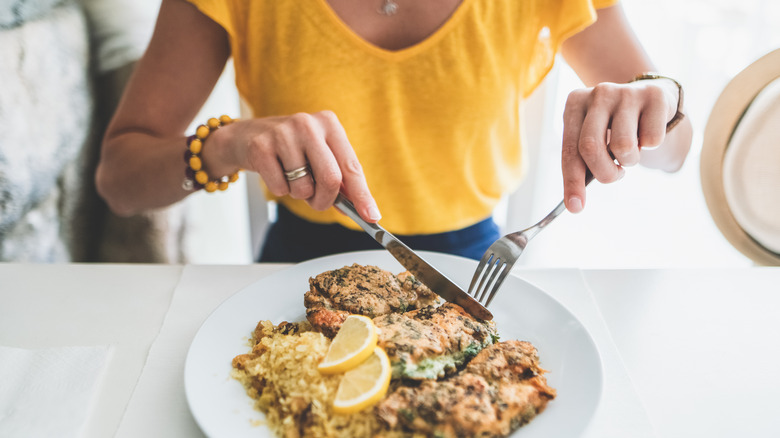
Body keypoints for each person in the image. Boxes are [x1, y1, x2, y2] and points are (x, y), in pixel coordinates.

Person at [96, 0, 693, 263]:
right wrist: (228, 145)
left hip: (472, 270)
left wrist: (659, 102)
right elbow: (120, 179)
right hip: (294, 266)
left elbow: (677, 150)